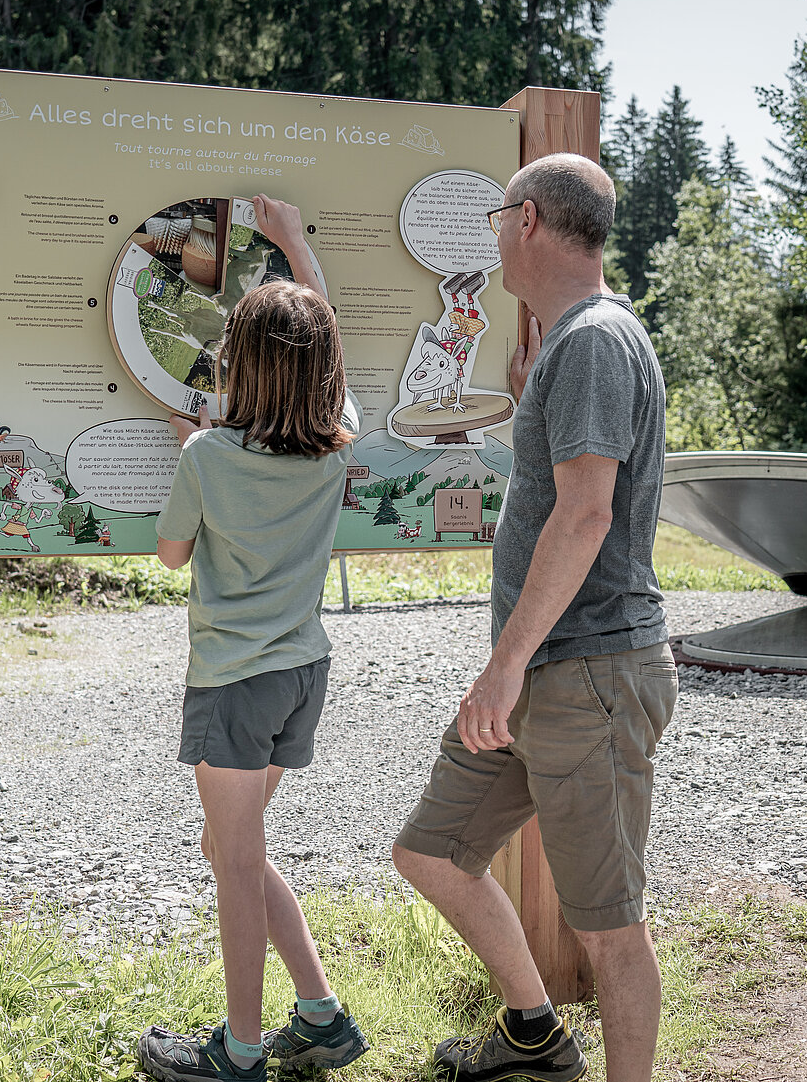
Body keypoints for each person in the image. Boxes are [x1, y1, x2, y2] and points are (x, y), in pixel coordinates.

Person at [392, 153, 676, 1082]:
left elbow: (589, 512)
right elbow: (573, 485)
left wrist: (505, 663)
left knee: (610, 926)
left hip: (583, 673)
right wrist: (527, 401)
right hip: (545, 676)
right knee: (431, 851)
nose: (493, 238)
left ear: (529, 222)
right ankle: (533, 1031)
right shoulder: (572, 342)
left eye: (497, 220)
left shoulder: (593, 339)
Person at [135, 195, 370, 1082]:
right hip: (301, 674)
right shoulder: (334, 443)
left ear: (236, 361)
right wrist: (296, 244)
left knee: (232, 861)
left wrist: (192, 446)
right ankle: (319, 1015)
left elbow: (169, 556)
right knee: (228, 846)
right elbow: (327, 346)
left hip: (233, 679)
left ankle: (237, 1052)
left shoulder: (205, 456)